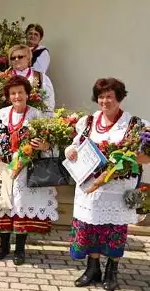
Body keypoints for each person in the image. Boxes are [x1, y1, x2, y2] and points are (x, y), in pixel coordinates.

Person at [66, 78, 150, 290]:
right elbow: (73, 147)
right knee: (91, 226)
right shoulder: (87, 122)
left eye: (110, 96)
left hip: (117, 189)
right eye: (101, 96)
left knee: (113, 229)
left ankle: (112, 271)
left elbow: (146, 158)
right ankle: (93, 268)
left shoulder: (135, 125)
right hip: (90, 187)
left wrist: (125, 158)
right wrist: (72, 152)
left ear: (119, 98)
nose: (105, 100)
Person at [0, 76, 58, 266]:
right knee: (3, 206)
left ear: (27, 94)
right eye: (13, 93)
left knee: (21, 207)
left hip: (27, 169)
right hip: (4, 168)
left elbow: (49, 143)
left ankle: (19, 249)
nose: (17, 96)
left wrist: (43, 146)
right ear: (8, 96)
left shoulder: (37, 116)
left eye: (20, 92)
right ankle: (3, 246)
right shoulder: (1, 114)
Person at [7, 44, 55, 114]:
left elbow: (49, 101)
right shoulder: (4, 77)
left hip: (35, 116)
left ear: (28, 58)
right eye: (13, 58)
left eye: (20, 57)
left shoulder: (40, 76)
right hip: (10, 116)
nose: (16, 59)